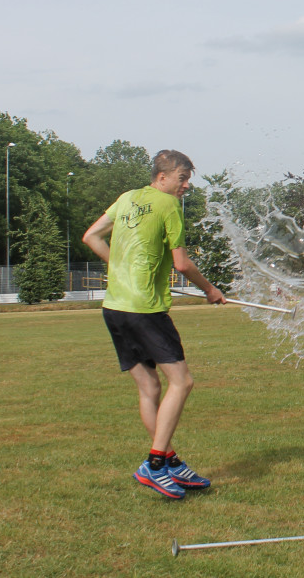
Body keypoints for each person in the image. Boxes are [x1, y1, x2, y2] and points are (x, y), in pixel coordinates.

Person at [82, 149, 225, 499]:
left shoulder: (127, 199)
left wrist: (119, 268)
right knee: (182, 381)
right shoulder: (168, 206)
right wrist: (209, 289)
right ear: (162, 177)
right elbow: (181, 263)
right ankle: (156, 463)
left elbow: (91, 237)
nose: (186, 186)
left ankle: (170, 462)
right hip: (145, 310)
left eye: (188, 179)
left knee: (149, 388)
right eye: (182, 178)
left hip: (114, 307)